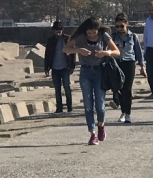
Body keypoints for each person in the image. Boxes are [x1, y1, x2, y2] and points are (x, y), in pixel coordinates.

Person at [63, 17, 120, 145]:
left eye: (94, 32)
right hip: (85, 72)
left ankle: (101, 125)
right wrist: (78, 50)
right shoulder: (80, 37)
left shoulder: (103, 35)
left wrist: (106, 52)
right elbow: (65, 49)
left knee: (100, 103)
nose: (92, 35)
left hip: (100, 71)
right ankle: (92, 133)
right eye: (89, 33)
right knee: (88, 104)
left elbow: (117, 51)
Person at [112, 13, 146, 123]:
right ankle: (122, 111)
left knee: (127, 89)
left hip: (129, 63)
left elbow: (138, 52)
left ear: (127, 24)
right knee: (119, 88)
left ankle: (128, 114)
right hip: (117, 63)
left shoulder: (133, 36)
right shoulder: (114, 37)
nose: (119, 29)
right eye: (117, 26)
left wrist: (142, 66)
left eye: (121, 26)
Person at [44, 20, 76, 113]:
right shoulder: (51, 40)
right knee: (57, 89)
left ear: (62, 30)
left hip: (65, 67)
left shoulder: (67, 39)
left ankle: (69, 107)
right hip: (55, 68)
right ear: (53, 31)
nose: (58, 33)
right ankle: (59, 108)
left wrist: (72, 66)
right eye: (56, 31)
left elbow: (73, 53)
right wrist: (46, 67)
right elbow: (47, 54)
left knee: (67, 87)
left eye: (59, 31)